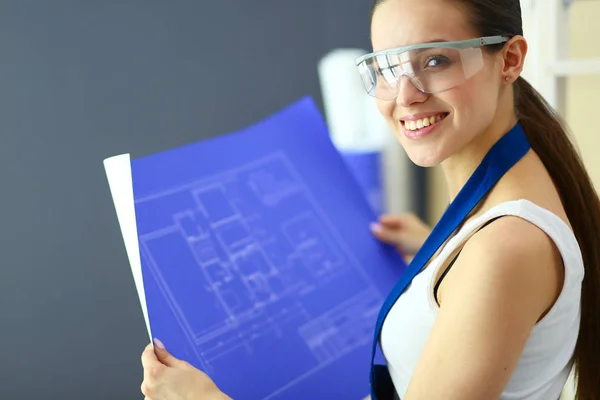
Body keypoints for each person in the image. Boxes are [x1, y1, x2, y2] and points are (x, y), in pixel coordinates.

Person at [139, 0, 600, 398]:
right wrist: (437, 262)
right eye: (385, 67)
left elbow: (504, 262)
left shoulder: (504, 247)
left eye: (435, 61)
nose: (404, 96)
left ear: (510, 59)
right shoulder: (512, 190)